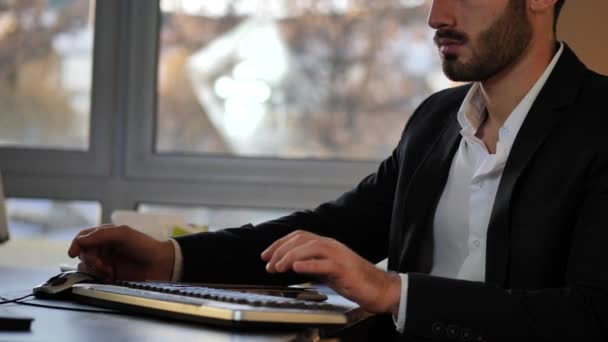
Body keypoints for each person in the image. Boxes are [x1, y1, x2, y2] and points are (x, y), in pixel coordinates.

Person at [68, 0, 608, 340]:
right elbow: (334, 227)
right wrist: (171, 258)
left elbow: (592, 315)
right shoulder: (435, 120)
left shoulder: (600, 124)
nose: (436, 16)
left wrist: (396, 292)